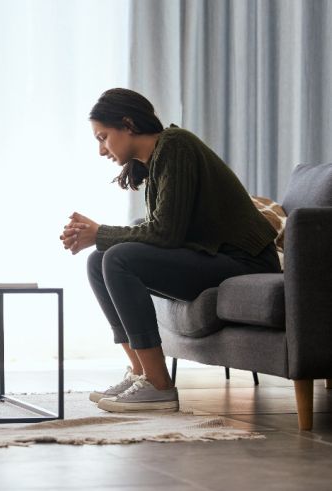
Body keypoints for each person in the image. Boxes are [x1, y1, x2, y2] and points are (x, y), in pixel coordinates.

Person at [60, 88, 280, 412]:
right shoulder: (155, 163)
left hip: (246, 262)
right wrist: (99, 239)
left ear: (128, 124)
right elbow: (164, 232)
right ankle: (140, 371)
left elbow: (166, 233)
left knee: (118, 257)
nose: (101, 149)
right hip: (215, 258)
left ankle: (159, 385)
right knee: (99, 261)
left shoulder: (176, 145)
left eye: (103, 137)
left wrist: (100, 233)